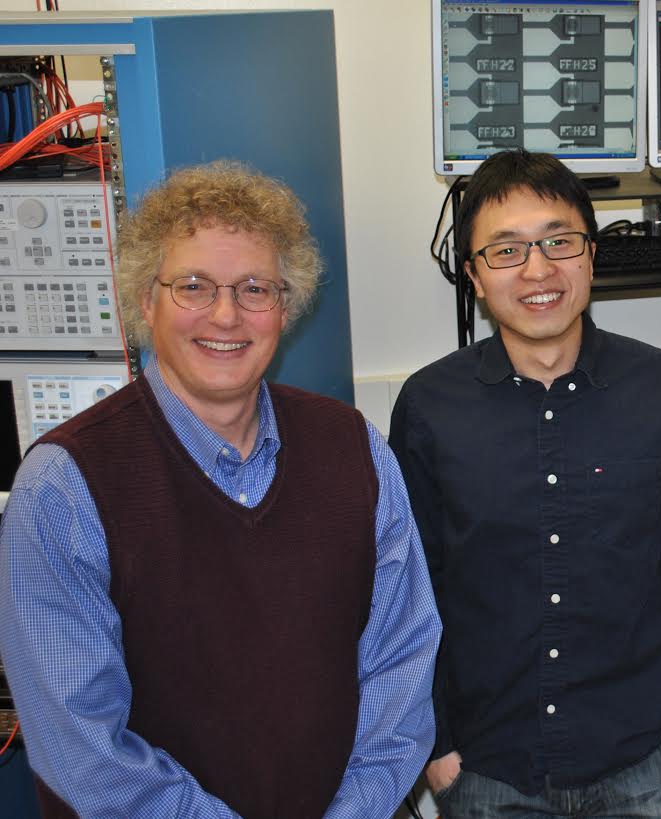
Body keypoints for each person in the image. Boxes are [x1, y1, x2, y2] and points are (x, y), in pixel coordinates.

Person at [0, 162, 442, 818]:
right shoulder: (64, 486)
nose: (226, 314)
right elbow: (81, 746)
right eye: (194, 286)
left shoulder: (354, 449)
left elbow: (402, 661)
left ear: (284, 308)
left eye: (254, 288)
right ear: (145, 301)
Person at [388, 149, 661, 818]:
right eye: (506, 250)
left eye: (559, 241)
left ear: (591, 255)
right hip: (487, 774)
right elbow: (409, 592)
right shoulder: (428, 406)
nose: (539, 269)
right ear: (474, 277)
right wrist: (440, 751)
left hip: (646, 768)